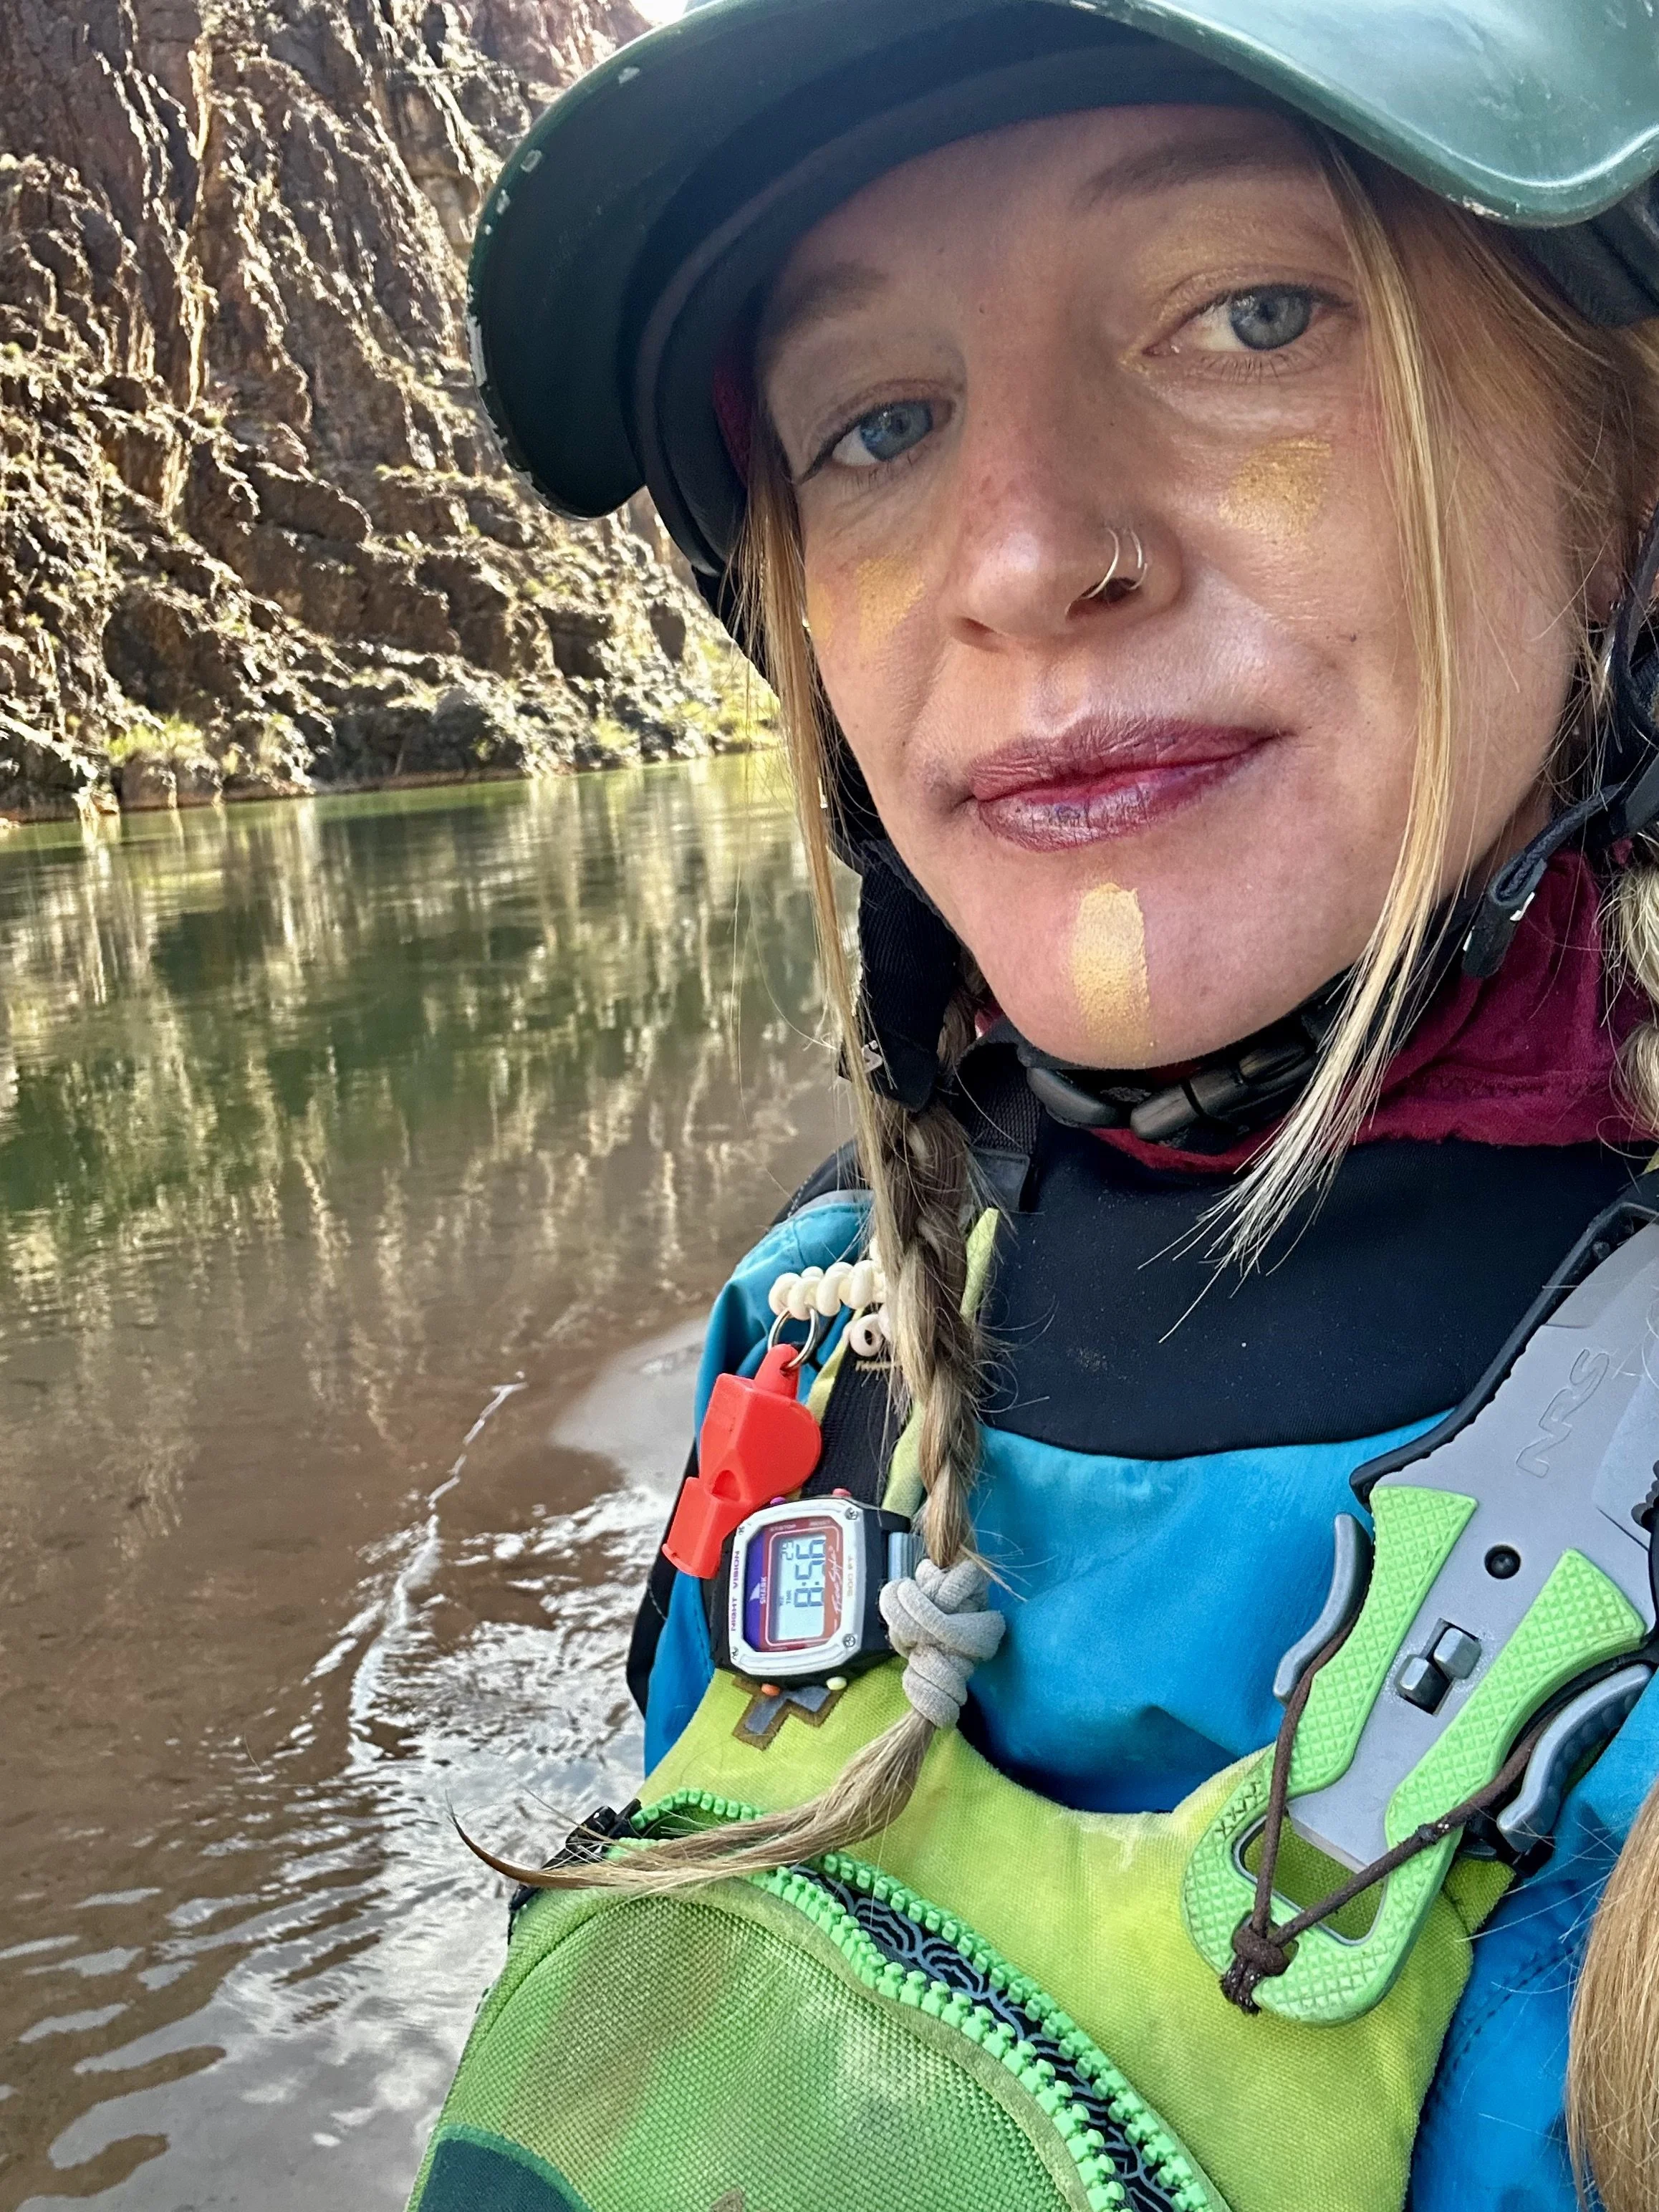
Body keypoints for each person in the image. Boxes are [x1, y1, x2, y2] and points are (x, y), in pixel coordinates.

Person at [409, 5, 1659, 2209]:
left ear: (1619, 456)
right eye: (874, 421)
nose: (1014, 555)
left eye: (1247, 313)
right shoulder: (817, 1328)